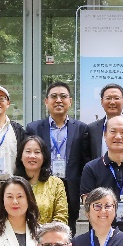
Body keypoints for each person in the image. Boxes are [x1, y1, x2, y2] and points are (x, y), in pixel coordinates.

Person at [26, 81, 90, 223]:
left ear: (70, 101)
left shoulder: (81, 129)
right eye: (54, 96)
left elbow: (85, 162)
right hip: (42, 185)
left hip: (70, 189)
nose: (58, 100)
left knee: (68, 228)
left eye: (63, 96)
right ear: (46, 101)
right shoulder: (34, 128)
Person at [17, 135, 69, 226]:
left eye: (37, 152)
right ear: (21, 156)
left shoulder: (56, 183)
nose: (32, 156)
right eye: (28, 151)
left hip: (48, 234)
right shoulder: (13, 184)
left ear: (44, 157)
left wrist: (44, 233)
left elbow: (61, 217)